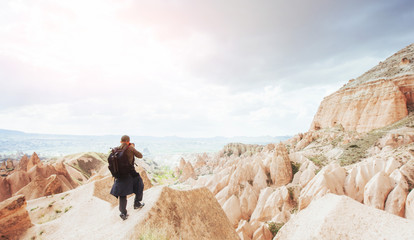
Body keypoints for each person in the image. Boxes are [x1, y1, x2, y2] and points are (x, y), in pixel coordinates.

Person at [110, 135, 145, 220]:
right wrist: (132, 147)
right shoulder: (130, 148)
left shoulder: (116, 149)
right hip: (130, 173)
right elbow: (140, 155)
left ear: (121, 141)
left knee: (122, 194)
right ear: (128, 141)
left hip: (119, 175)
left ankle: (123, 213)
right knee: (139, 184)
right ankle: (137, 203)